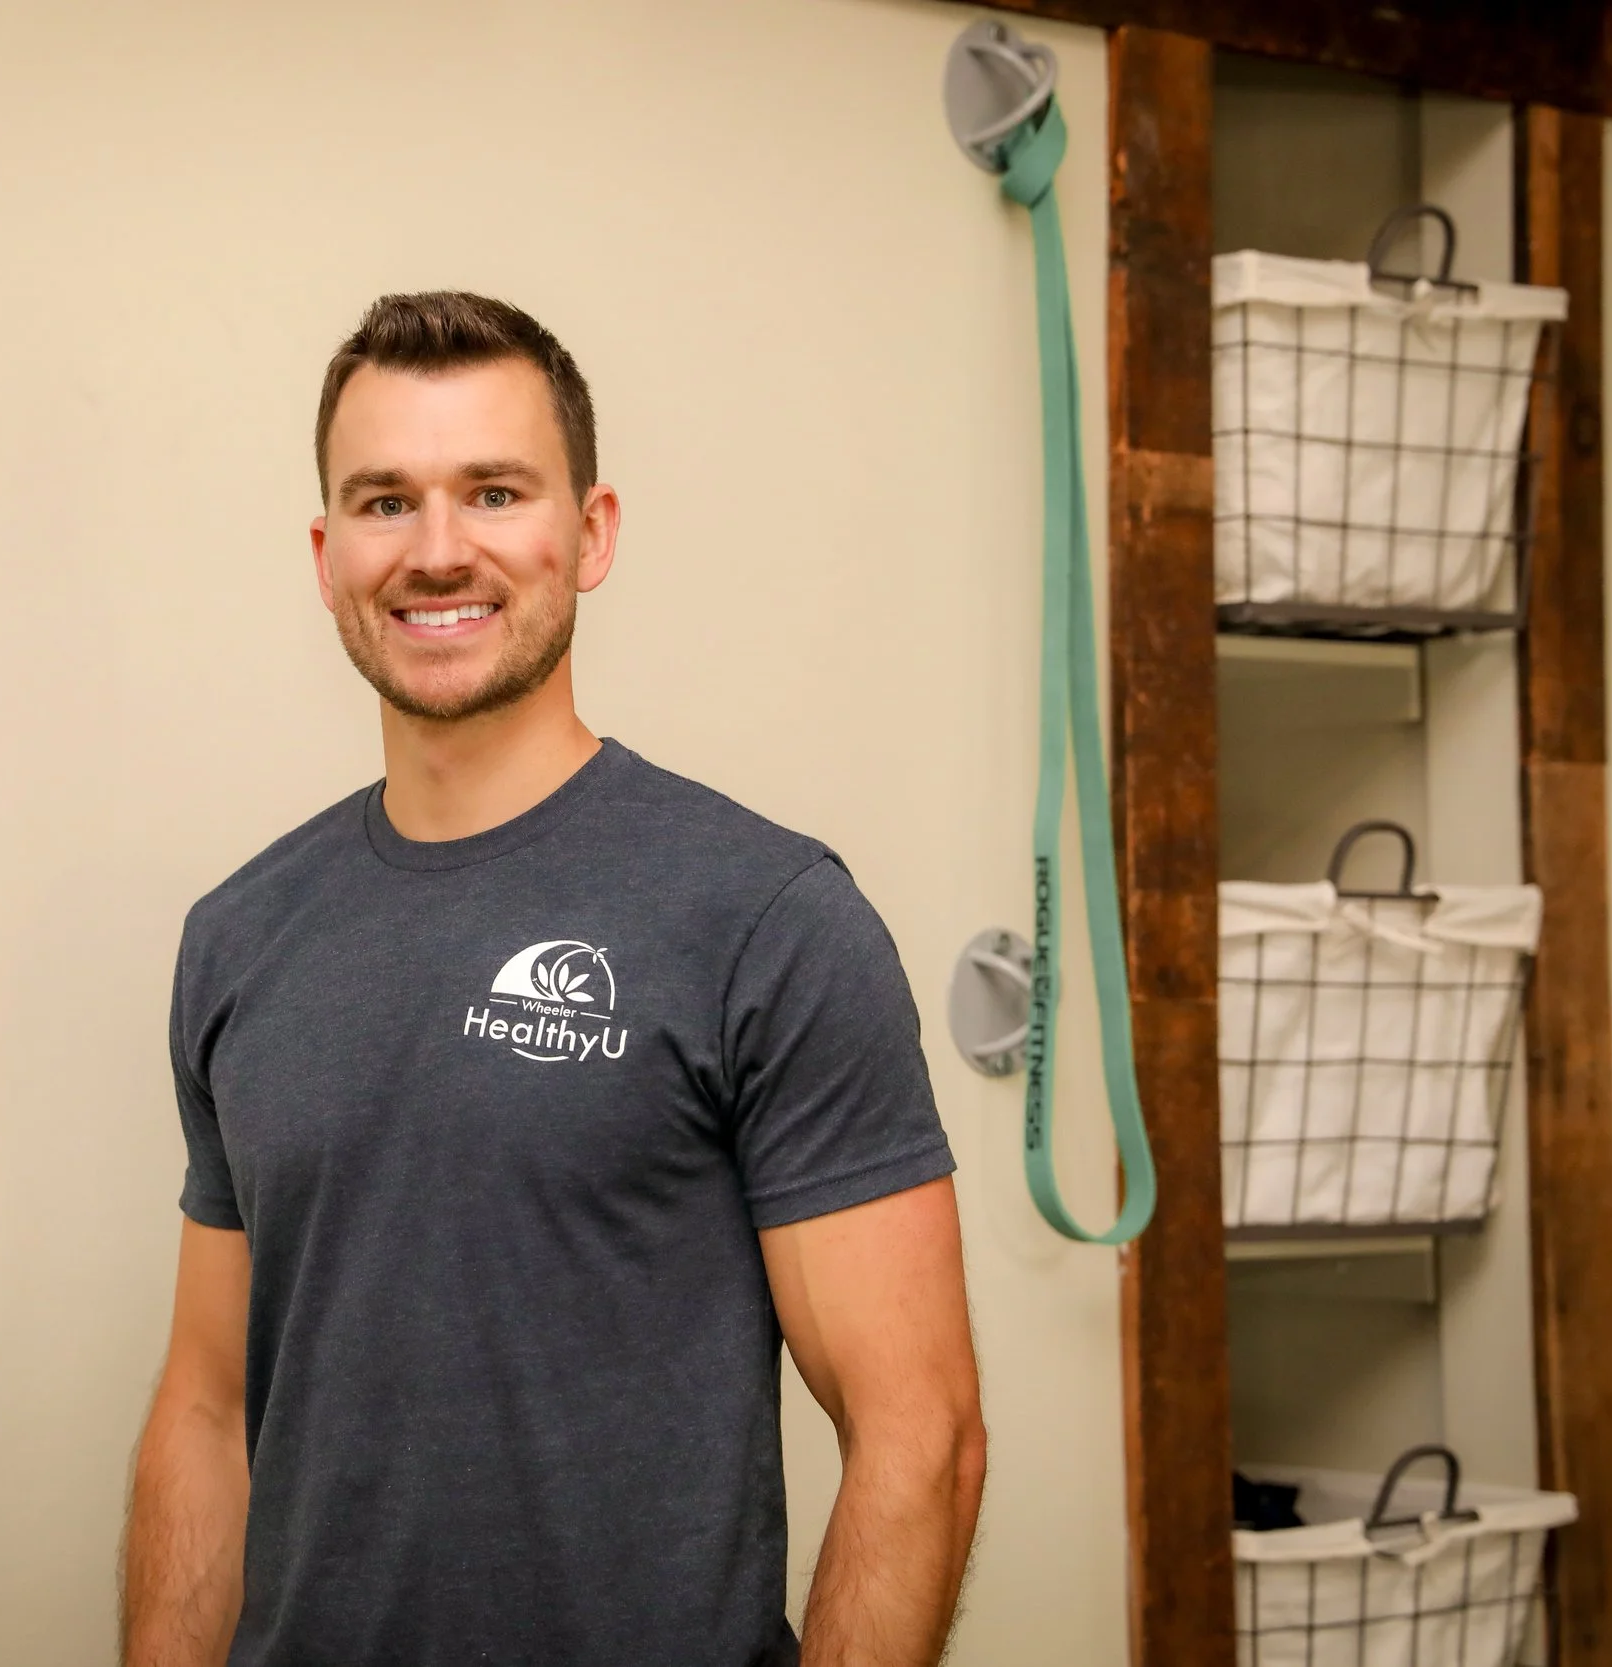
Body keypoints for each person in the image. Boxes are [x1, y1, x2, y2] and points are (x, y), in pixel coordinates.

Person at [120, 291, 985, 1667]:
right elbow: (209, 1407)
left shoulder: (766, 918)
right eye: (385, 500)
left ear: (589, 535)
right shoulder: (240, 935)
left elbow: (918, 1430)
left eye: (495, 490)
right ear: (327, 550)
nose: (438, 548)